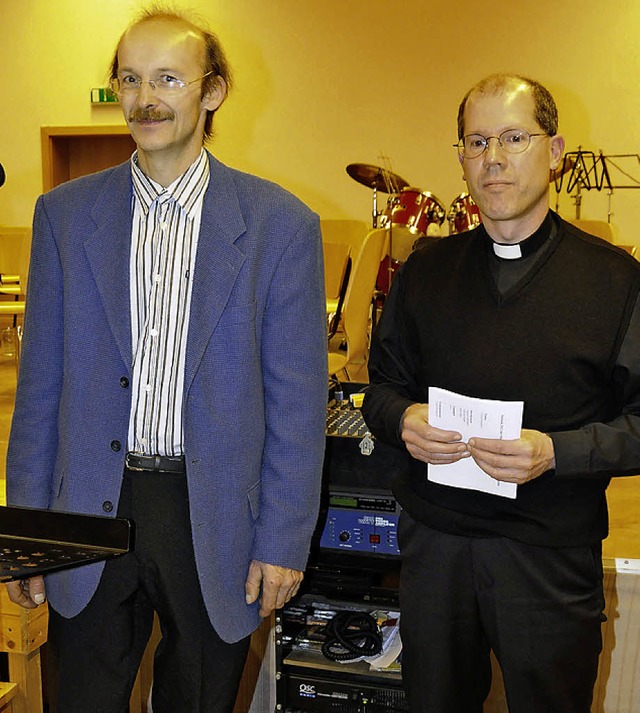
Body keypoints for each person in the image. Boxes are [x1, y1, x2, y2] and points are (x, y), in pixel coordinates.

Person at [5, 7, 328, 712]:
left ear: (212, 91)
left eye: (169, 78)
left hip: (212, 513)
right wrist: (29, 527)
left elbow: (299, 409)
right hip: (89, 506)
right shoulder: (63, 217)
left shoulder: (281, 227)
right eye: (130, 79)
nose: (145, 97)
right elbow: (40, 391)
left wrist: (283, 538)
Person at [362, 73, 640, 712]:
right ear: (459, 157)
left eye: (514, 137)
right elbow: (380, 388)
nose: (494, 158)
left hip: (548, 556)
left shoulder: (614, 282)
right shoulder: (425, 269)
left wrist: (557, 454)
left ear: (556, 149)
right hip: (436, 551)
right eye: (476, 141)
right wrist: (402, 417)